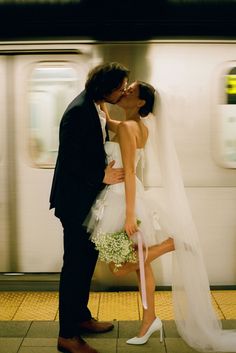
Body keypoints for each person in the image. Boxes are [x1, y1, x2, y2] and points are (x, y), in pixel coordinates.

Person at [84, 80, 236, 352]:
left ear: (141, 103)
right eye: (124, 89)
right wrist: (102, 100)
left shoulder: (130, 128)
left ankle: (171, 243)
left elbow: (129, 172)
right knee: (142, 266)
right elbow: (109, 123)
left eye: (130, 92)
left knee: (118, 268)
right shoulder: (135, 127)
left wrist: (129, 215)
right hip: (126, 197)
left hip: (123, 201)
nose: (124, 92)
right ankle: (149, 320)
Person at [49, 62, 129, 353]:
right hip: (74, 204)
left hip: (88, 201)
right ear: (104, 87)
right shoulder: (78, 112)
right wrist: (101, 175)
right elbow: (70, 160)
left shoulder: (96, 107)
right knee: (75, 268)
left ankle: (80, 318)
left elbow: (88, 149)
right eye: (119, 87)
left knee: (86, 265)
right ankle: (67, 336)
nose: (122, 92)